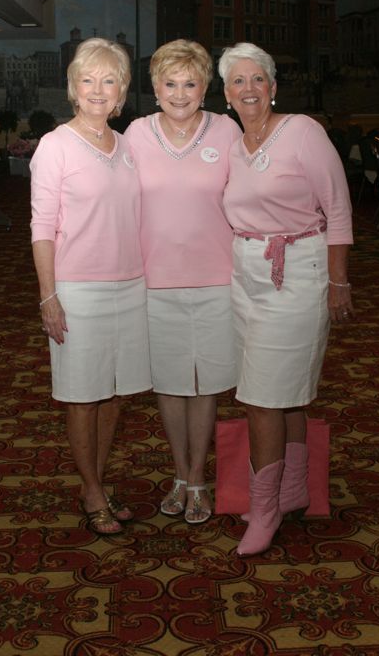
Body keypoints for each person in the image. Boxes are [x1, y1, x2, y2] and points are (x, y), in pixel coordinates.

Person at [218, 43, 354, 556]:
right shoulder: (235, 145)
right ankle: (293, 491)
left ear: (273, 88)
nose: (248, 88)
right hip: (246, 273)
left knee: (261, 397)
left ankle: (266, 508)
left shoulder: (303, 132)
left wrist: (338, 281)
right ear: (227, 94)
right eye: (237, 81)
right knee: (287, 391)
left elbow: (337, 210)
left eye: (258, 79)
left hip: (298, 270)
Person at [30, 37, 151, 536]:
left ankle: (94, 482)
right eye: (88, 80)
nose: (98, 90)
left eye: (110, 80)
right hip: (78, 290)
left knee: (115, 394)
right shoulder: (55, 145)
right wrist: (48, 295)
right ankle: (93, 490)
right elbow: (42, 226)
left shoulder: (126, 147)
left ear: (122, 92)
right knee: (83, 395)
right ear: (73, 90)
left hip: (131, 286)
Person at [125, 39, 241, 524]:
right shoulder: (134, 134)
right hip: (155, 282)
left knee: (205, 385)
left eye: (189, 83)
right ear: (154, 88)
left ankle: (197, 477)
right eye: (169, 83)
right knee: (170, 385)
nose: (179, 93)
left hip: (217, 280)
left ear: (205, 87)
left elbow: (252, 194)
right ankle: (180, 474)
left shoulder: (227, 131)